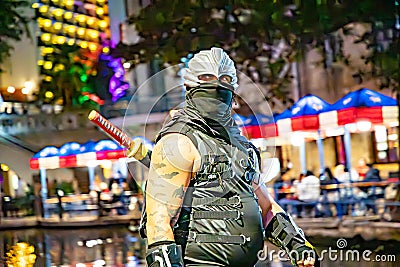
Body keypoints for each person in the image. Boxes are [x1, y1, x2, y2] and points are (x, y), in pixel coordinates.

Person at [127, 48, 318, 267]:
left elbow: (266, 207)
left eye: (224, 80)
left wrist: (297, 245)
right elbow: (158, 219)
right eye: (207, 79)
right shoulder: (178, 141)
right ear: (190, 87)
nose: (216, 88)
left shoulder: (241, 146)